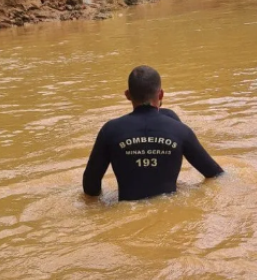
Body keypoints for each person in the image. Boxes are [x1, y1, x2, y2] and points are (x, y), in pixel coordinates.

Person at [83, 65, 224, 201]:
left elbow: (90, 186)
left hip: (129, 214)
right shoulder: (180, 130)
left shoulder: (110, 130)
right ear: (161, 94)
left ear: (127, 95)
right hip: (170, 215)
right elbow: (215, 174)